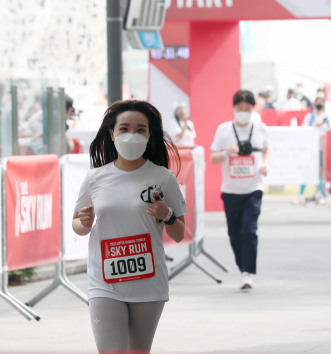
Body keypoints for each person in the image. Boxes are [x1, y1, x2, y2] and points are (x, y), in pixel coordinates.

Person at [72, 100, 188, 353]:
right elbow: (78, 225)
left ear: (149, 136)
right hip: (105, 281)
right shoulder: (95, 178)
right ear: (112, 134)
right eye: (124, 129)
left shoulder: (163, 177)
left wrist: (167, 214)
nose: (131, 135)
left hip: (148, 283)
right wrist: (83, 222)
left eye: (140, 129)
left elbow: (179, 233)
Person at [210, 90, 270, 289]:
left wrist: (266, 164)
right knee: (234, 233)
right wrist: (227, 152)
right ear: (234, 108)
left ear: (253, 109)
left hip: (254, 188)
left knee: (249, 230)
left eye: (247, 108)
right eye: (240, 108)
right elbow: (212, 158)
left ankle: (247, 273)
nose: (244, 112)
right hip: (231, 191)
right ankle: (242, 266)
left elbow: (266, 149)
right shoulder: (224, 130)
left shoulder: (260, 128)